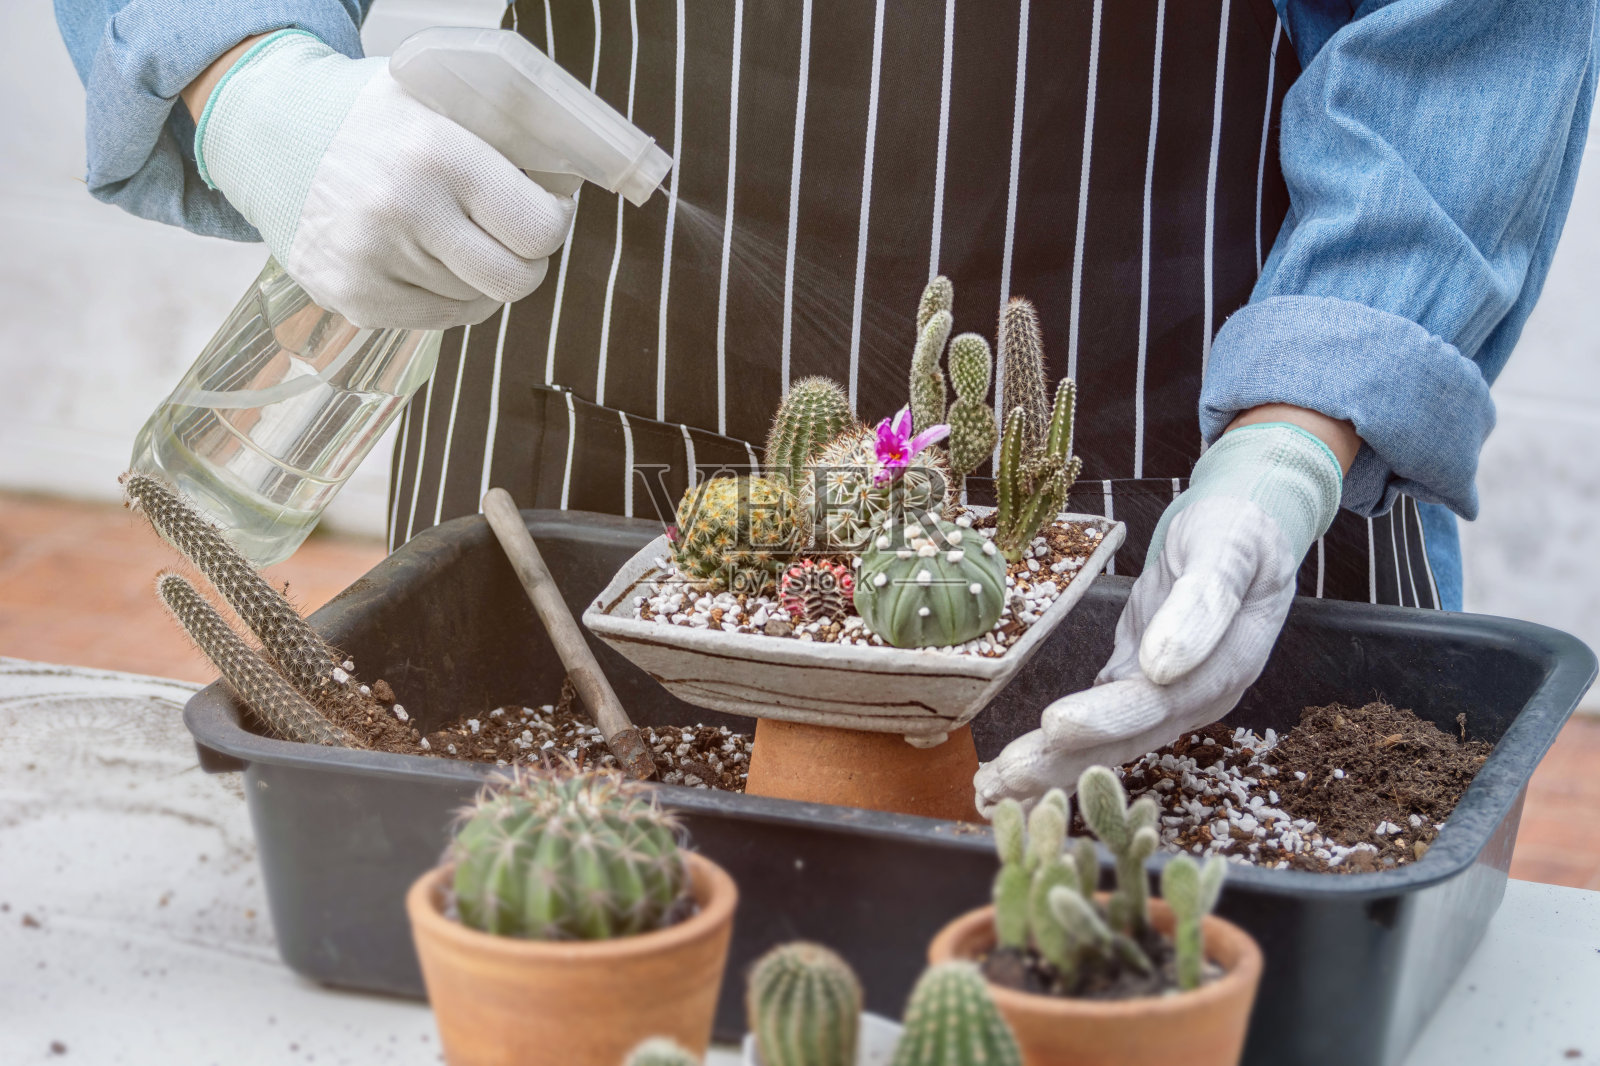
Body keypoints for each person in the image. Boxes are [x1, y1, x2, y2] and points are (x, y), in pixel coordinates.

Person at [58, 0, 1598, 810]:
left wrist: (1295, 432)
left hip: (1189, 453)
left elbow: (1470, 26)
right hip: (576, 421)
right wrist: (244, 68)